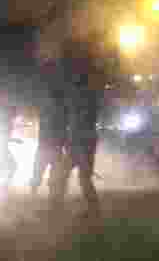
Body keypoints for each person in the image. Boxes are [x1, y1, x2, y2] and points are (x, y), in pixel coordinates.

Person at [54, 59, 101, 219]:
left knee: (83, 178)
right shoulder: (77, 98)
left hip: (84, 142)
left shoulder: (86, 99)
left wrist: (77, 143)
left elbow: (84, 121)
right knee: (62, 173)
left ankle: (93, 210)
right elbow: (73, 121)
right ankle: (57, 205)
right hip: (78, 142)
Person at [30, 58, 67, 199]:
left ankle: (48, 195)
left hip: (50, 144)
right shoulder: (51, 103)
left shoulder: (49, 103)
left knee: (44, 170)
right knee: (44, 170)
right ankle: (48, 194)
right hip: (50, 144)